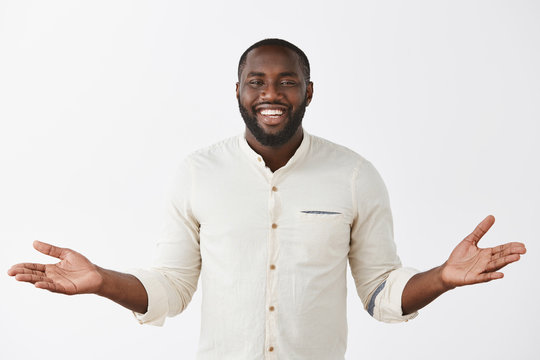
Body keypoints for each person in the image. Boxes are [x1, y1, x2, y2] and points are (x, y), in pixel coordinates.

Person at [8, 39, 526, 359]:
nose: (271, 93)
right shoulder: (197, 173)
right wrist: (102, 283)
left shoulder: (354, 175)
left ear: (309, 91)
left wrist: (442, 277)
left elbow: (379, 292)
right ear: (238, 91)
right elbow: (171, 286)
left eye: (287, 81)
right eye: (257, 81)